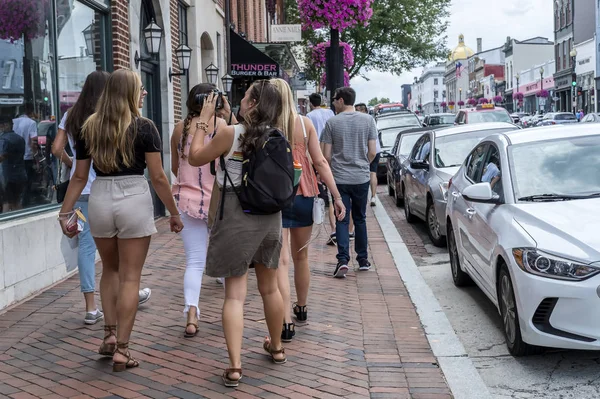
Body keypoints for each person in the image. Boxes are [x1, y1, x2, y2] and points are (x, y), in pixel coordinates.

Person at [58, 69, 183, 372]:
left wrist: (65, 212)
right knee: (131, 277)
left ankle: (109, 336)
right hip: (133, 196)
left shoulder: (91, 127)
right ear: (130, 93)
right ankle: (123, 350)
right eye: (141, 88)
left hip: (99, 197)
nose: (144, 92)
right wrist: (174, 212)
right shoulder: (145, 127)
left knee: (110, 270)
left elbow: (78, 176)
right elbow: (157, 177)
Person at [187, 80, 287, 388]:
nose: (240, 101)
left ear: (254, 104)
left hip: (236, 214)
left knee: (234, 295)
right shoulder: (277, 134)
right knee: (270, 288)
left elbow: (195, 157)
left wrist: (204, 121)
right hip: (270, 217)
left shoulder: (231, 135)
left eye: (245, 98)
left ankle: (234, 366)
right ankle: (277, 347)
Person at [53, 72, 153, 325]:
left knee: (97, 257)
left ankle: (95, 311)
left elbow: (61, 154)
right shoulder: (133, 123)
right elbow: (158, 175)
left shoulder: (77, 118)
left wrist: (70, 165)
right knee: (127, 269)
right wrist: (173, 212)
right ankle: (121, 339)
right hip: (118, 191)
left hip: (90, 196)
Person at [271, 79, 345, 342]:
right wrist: (336, 196)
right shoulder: (305, 124)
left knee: (280, 261)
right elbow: (321, 162)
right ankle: (301, 308)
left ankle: (285, 322)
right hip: (304, 194)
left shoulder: (265, 126)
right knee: (301, 257)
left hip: (273, 198)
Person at [171, 84, 225, 337]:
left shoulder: (179, 129)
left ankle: (191, 313)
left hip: (186, 201)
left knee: (194, 260)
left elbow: (175, 168)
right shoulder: (221, 128)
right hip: (217, 201)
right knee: (221, 250)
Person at [320, 87, 377, 278]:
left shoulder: (332, 123)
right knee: (360, 218)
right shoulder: (368, 120)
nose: (333, 103)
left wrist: (332, 170)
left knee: (341, 219)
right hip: (361, 177)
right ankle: (363, 260)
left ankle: (343, 259)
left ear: (342, 100)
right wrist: (362, 164)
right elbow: (372, 152)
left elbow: (326, 155)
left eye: (335, 100)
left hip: (339, 179)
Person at [12, 103, 38, 207]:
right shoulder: (31, 123)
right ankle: (24, 206)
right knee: (26, 183)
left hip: (13, 159)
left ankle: (14, 204)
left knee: (14, 183)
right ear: (30, 111)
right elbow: (33, 142)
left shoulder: (13, 122)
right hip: (27, 157)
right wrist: (36, 159)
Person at [0, 113, 27, 212]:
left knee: (6, 202)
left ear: (4, 125)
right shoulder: (19, 138)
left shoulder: (4, 139)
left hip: (8, 177)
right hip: (20, 174)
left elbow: (2, 156)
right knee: (16, 202)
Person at [355, 103, 380, 206]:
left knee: (364, 173)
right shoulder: (371, 119)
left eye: (357, 110)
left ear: (363, 110)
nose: (355, 112)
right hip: (376, 149)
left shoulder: (363, 120)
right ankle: (373, 197)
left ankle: (365, 197)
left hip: (366, 150)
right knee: (373, 173)